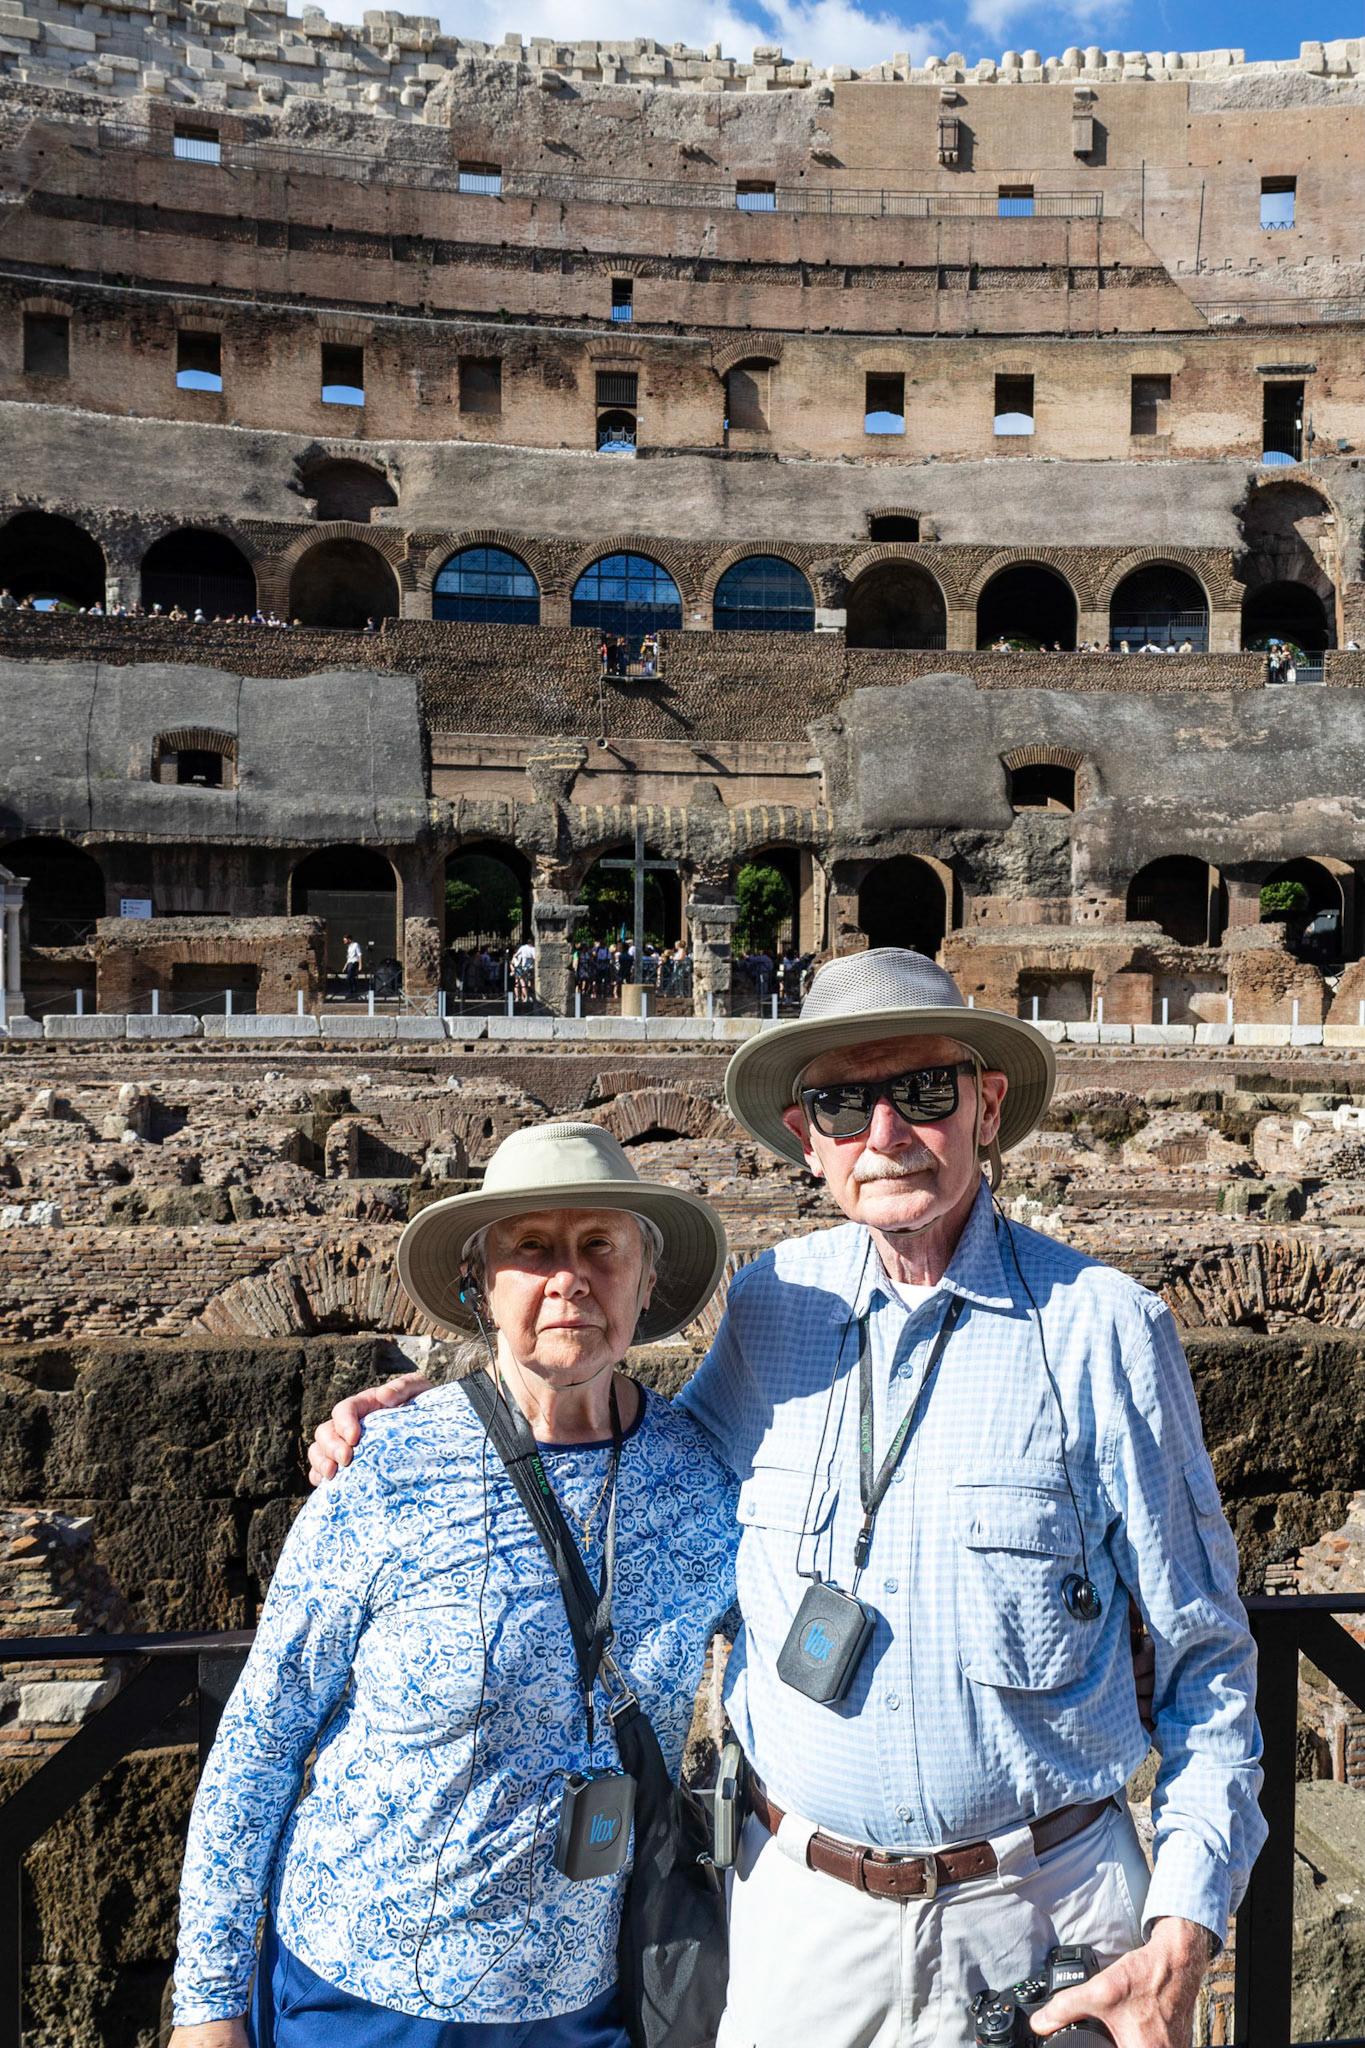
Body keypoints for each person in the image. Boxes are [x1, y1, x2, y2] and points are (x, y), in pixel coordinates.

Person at [315, 951, 1259, 2048]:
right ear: (807, 1138)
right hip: (801, 1923)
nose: (885, 1131)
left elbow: (1208, 1661)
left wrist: (1183, 1932)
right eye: (842, 1104)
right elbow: (637, 1463)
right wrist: (445, 1417)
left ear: (987, 1105)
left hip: (1045, 1914)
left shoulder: (1106, 1330)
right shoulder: (774, 1301)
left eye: (924, 1090)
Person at [169, 1121, 735, 2047]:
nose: (569, 1279)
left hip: (582, 1997)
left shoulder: (705, 1481)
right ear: (480, 1284)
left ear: (645, 1280)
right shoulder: (385, 1468)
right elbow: (261, 1739)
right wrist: (208, 2005)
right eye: (532, 1248)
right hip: (361, 1993)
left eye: (601, 1246)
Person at [512, 936, 536, 1004]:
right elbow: (534, 957)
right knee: (530, 983)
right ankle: (529, 996)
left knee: (523, 983)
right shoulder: (533, 949)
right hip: (530, 968)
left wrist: (517, 962)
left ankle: (524, 997)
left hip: (523, 967)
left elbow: (515, 955)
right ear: (532, 942)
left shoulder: (522, 947)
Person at [342, 933, 362, 1001]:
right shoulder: (349, 947)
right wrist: (345, 966)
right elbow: (349, 957)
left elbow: (359, 955)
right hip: (350, 963)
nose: (344, 942)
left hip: (354, 963)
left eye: (345, 940)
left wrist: (360, 965)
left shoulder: (356, 945)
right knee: (352, 979)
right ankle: (354, 993)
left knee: (349, 978)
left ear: (349, 939)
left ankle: (352, 992)